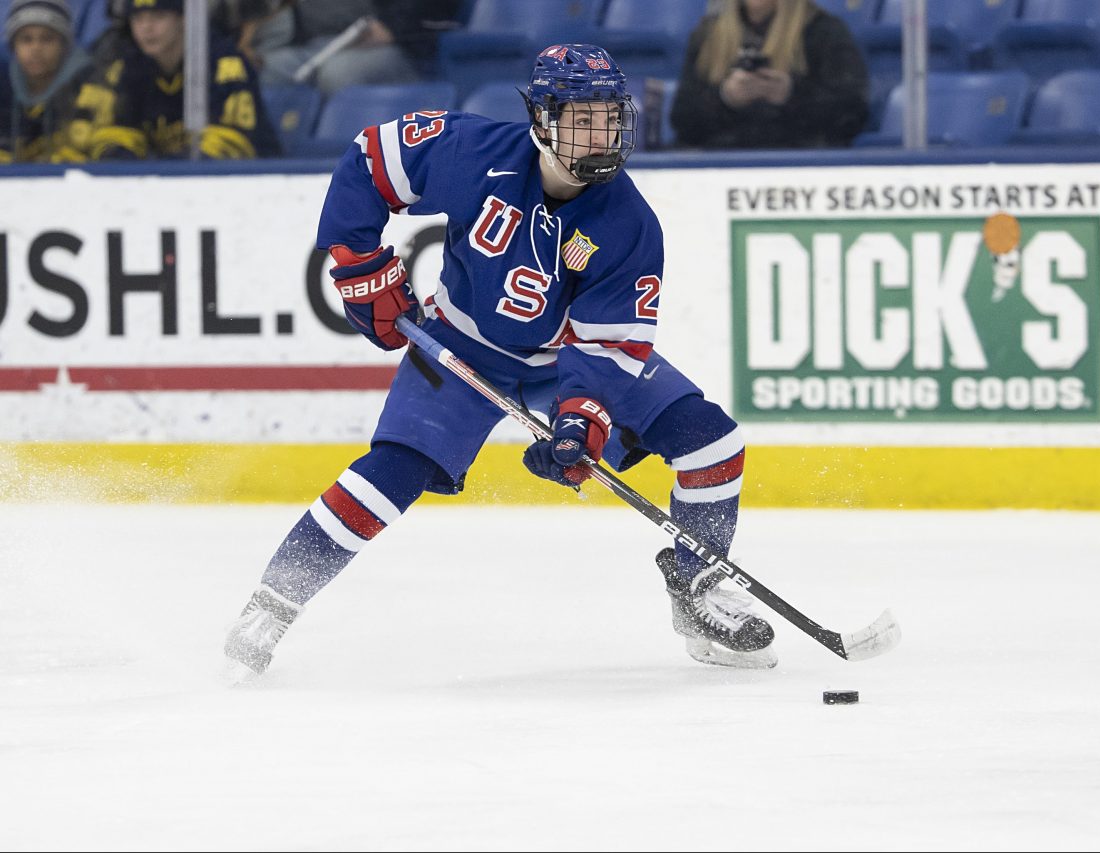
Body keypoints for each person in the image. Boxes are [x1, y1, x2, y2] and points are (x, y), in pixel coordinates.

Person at [223, 43, 778, 680]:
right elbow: (368, 158)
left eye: (608, 118)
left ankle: (698, 589)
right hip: (458, 344)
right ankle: (274, 601)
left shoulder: (629, 223)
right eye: (580, 119)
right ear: (541, 119)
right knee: (393, 471)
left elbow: (609, 348)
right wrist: (355, 263)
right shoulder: (470, 152)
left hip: (562, 360)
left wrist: (580, 422)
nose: (599, 136)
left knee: (711, 442)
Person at [61, 0, 279, 160]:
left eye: (158, 17)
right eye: (138, 19)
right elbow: (114, 133)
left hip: (247, 183)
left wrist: (161, 171)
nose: (146, 28)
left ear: (183, 19)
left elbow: (229, 143)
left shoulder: (224, 62)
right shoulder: (129, 66)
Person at [670, 0, 869, 149]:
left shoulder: (824, 31)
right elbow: (683, 119)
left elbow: (853, 112)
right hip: (723, 161)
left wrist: (791, 95)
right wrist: (726, 98)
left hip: (801, 162)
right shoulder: (708, 34)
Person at [245, 0, 453, 96]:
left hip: (394, 45)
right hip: (316, 45)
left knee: (337, 73)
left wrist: (393, 26)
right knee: (268, 70)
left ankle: (354, 163)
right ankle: (274, 163)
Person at [0, 0, 93, 163]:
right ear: (13, 46)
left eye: (47, 39)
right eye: (26, 39)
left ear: (64, 46)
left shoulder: (91, 88)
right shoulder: (4, 89)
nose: (36, 48)